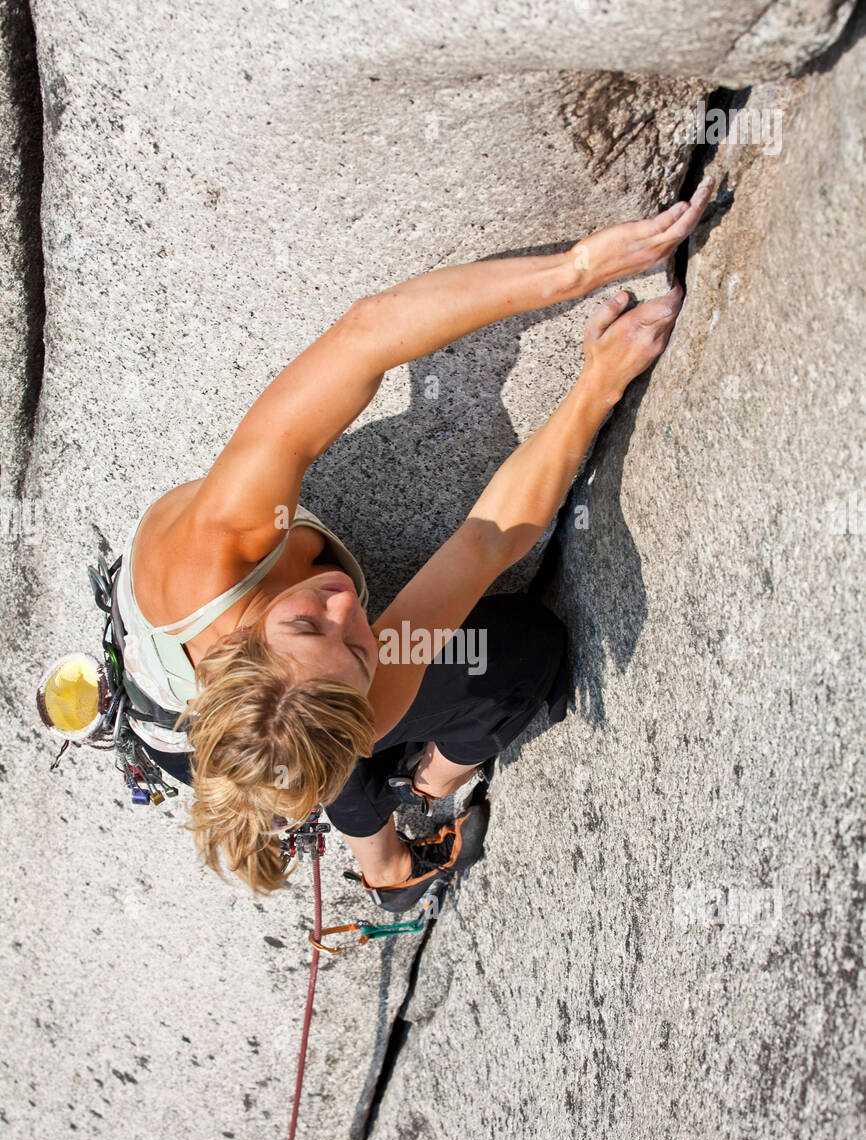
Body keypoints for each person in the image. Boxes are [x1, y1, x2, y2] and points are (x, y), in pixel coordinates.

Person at [114, 176, 715, 903]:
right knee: (522, 654)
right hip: (251, 751)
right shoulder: (365, 703)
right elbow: (483, 544)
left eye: (307, 622)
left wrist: (579, 268)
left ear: (240, 643)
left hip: (236, 735)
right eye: (360, 648)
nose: (343, 605)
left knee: (341, 746)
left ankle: (371, 833)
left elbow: (366, 336)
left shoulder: (225, 541)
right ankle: (412, 812)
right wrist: (598, 387)